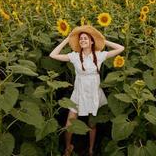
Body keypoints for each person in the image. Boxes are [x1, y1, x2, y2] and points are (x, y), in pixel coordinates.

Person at [49, 25, 124, 156]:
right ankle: (68, 148)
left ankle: (90, 150)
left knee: (92, 123)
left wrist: (102, 40)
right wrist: (67, 39)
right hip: (79, 93)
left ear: (91, 41)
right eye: (80, 39)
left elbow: (121, 48)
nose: (82, 40)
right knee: (69, 123)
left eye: (85, 38)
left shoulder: (99, 55)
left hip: (94, 93)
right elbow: (53, 55)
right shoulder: (75, 56)